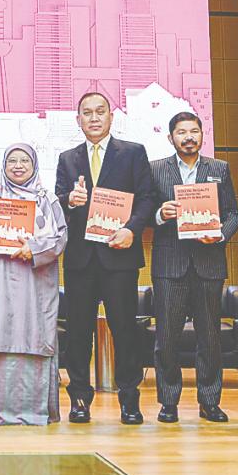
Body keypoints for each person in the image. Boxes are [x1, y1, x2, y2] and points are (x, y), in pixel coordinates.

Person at [55, 92, 155, 425]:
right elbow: (56, 201)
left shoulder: (133, 153)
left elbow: (146, 198)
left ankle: (129, 400)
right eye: (87, 113)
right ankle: (80, 399)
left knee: (125, 330)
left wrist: (132, 229)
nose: (94, 118)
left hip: (120, 256)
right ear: (78, 120)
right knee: (79, 333)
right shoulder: (68, 158)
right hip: (81, 260)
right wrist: (69, 199)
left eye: (100, 112)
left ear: (112, 117)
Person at [148, 112, 238, 424]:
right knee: (167, 337)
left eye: (194, 131)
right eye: (181, 132)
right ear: (171, 137)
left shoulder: (219, 169)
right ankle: (168, 401)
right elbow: (144, 214)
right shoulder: (156, 169)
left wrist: (221, 234)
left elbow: (233, 214)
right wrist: (161, 213)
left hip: (208, 263)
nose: (188, 137)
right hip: (169, 265)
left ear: (202, 134)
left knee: (209, 336)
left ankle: (210, 400)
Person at [0, 143, 67, 425]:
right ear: (4, 165)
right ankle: (0, 409)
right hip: (2, 279)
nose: (18, 165)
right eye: (12, 160)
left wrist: (34, 249)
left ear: (34, 164)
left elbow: (60, 237)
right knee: (3, 334)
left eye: (25, 160)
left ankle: (36, 410)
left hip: (37, 281)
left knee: (36, 335)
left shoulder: (47, 198)